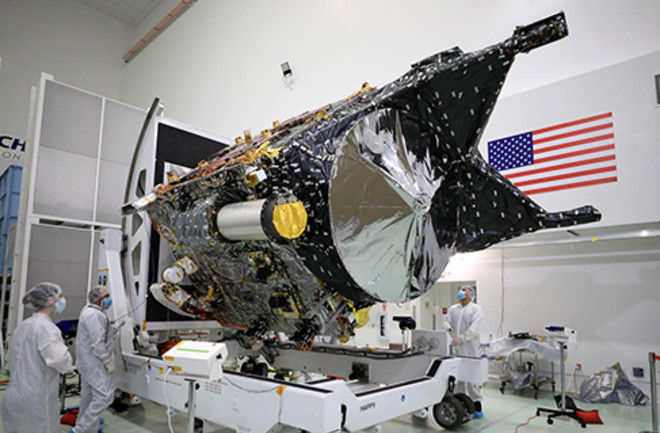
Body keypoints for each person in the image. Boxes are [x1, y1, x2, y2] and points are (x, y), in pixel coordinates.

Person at [1, 282, 73, 433]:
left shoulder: (23, 325)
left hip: (15, 395)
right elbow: (61, 361)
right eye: (59, 298)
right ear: (49, 300)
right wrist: (69, 362)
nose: (62, 301)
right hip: (36, 400)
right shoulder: (47, 328)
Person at [71, 286, 123, 433]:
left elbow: (98, 335)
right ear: (97, 299)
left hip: (86, 362)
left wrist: (113, 329)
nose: (109, 299)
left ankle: (85, 425)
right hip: (95, 362)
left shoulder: (88, 310)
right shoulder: (95, 315)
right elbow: (97, 344)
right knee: (105, 396)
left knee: (88, 396)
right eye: (106, 296)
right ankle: (81, 429)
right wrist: (108, 363)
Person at [444, 284, 485, 418]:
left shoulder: (476, 309)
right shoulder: (453, 309)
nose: (460, 292)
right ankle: (460, 404)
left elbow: (474, 329)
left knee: (473, 379)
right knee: (458, 378)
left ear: (470, 294)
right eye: (460, 290)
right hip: (457, 349)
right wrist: (449, 330)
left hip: (471, 350)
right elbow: (446, 322)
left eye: (463, 290)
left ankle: (477, 406)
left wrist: (461, 338)